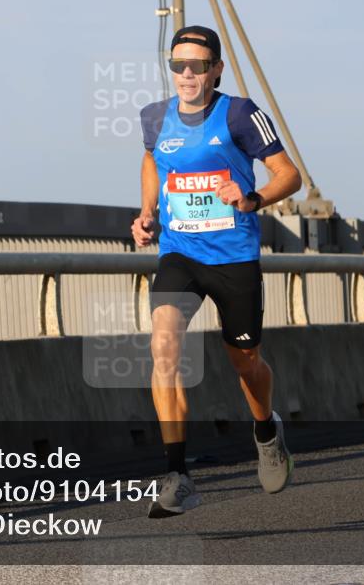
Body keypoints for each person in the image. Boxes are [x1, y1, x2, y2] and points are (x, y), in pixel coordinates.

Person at [132, 25, 303, 518]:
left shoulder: (241, 114)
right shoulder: (154, 117)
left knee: (245, 362)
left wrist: (251, 199)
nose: (187, 74)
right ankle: (177, 475)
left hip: (233, 257)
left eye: (198, 66)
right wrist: (147, 213)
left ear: (216, 70)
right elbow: (151, 160)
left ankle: (266, 430)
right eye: (178, 65)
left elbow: (290, 175)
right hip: (180, 254)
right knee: (163, 346)